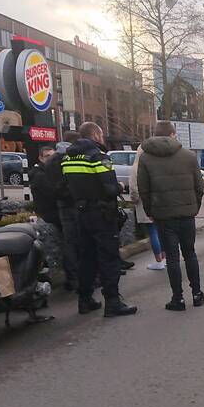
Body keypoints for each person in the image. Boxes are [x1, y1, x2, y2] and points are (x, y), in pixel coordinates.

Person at [61, 122, 137, 317]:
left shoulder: (67, 158)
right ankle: (113, 302)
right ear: (95, 134)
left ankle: (84, 300)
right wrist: (120, 186)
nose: (102, 138)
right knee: (109, 257)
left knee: (86, 258)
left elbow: (66, 186)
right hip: (101, 213)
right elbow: (109, 188)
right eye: (101, 134)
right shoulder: (97, 157)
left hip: (81, 213)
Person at [138, 121, 204, 311]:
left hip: (163, 216)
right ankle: (197, 294)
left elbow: (144, 189)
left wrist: (151, 212)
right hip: (186, 215)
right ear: (173, 134)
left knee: (172, 258)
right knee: (190, 253)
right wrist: (194, 207)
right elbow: (199, 187)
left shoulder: (145, 158)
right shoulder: (189, 156)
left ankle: (178, 298)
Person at [31, 145, 79, 288]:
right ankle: (73, 277)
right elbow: (54, 193)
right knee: (70, 243)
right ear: (40, 158)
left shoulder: (49, 171)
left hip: (56, 211)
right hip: (51, 213)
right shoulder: (40, 174)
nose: (51, 159)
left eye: (53, 156)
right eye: (47, 156)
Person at [128, 146, 166, 271]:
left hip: (144, 203)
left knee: (153, 232)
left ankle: (158, 260)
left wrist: (134, 199)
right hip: (160, 203)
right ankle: (165, 258)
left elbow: (134, 188)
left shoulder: (136, 167)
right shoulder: (158, 165)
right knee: (162, 231)